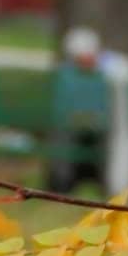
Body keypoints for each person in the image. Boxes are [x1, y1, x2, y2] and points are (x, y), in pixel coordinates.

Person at [47, 25, 112, 195]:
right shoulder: (98, 76)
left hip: (90, 128)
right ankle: (66, 182)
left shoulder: (66, 75)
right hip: (78, 128)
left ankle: (67, 182)